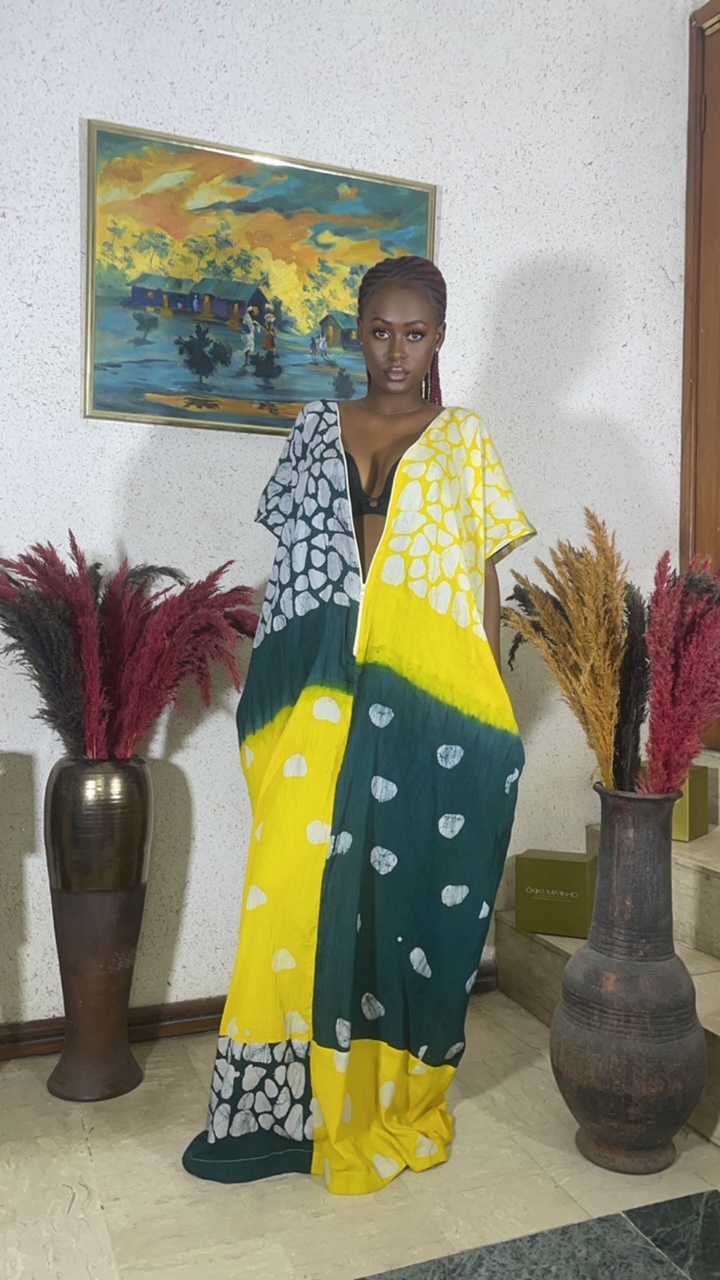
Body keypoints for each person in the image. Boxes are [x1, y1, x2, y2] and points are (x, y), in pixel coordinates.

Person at [183, 255, 535, 1196]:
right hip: (314, 695)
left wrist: (490, 701)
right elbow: (294, 566)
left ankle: (379, 1099)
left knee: (397, 897)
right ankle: (269, 1111)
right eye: (380, 331)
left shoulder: (463, 439)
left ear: (440, 339)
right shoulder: (312, 429)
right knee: (288, 894)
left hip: (425, 707)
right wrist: (269, 684)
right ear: (358, 333)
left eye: (415, 334)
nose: (396, 352)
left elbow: (481, 573)